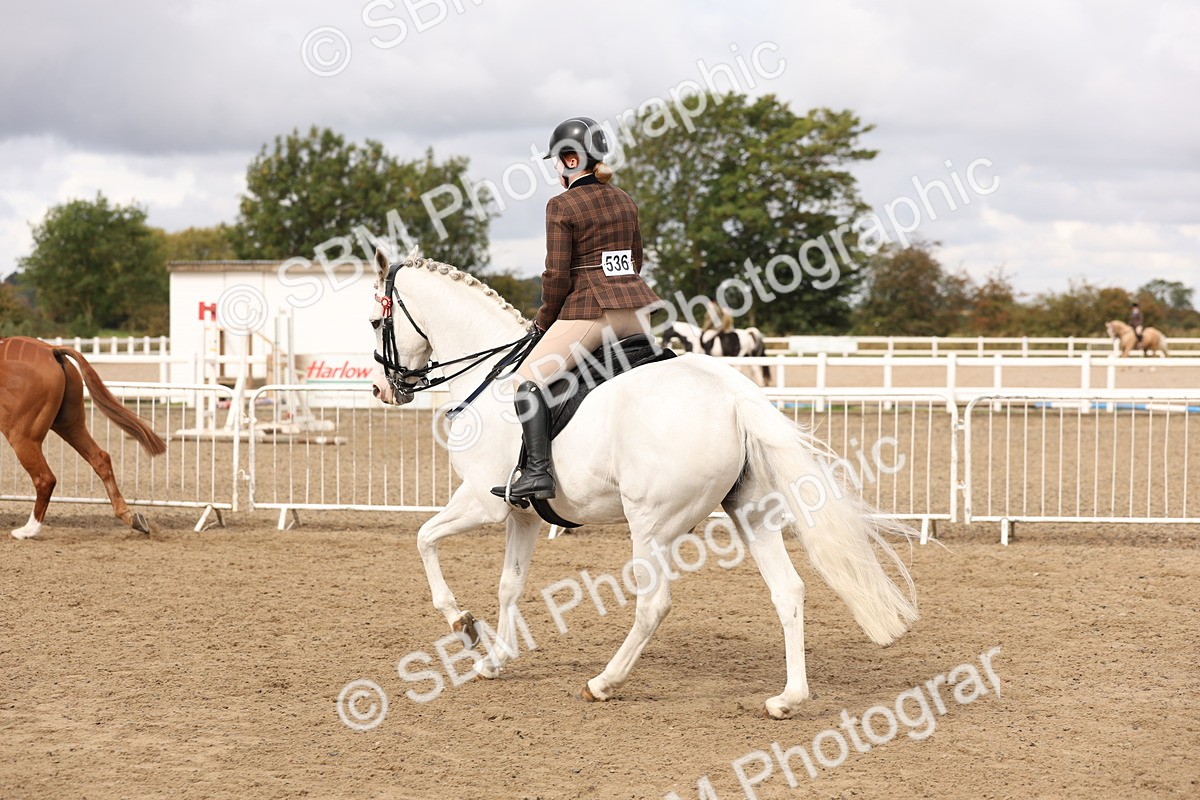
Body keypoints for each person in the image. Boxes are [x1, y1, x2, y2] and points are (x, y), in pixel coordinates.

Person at [491, 117, 662, 503]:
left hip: (592, 311)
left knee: (526, 380)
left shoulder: (562, 205)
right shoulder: (625, 200)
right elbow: (636, 259)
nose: (555, 168)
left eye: (557, 160)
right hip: (636, 312)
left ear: (571, 160)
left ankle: (536, 473)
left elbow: (556, 276)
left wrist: (543, 321)